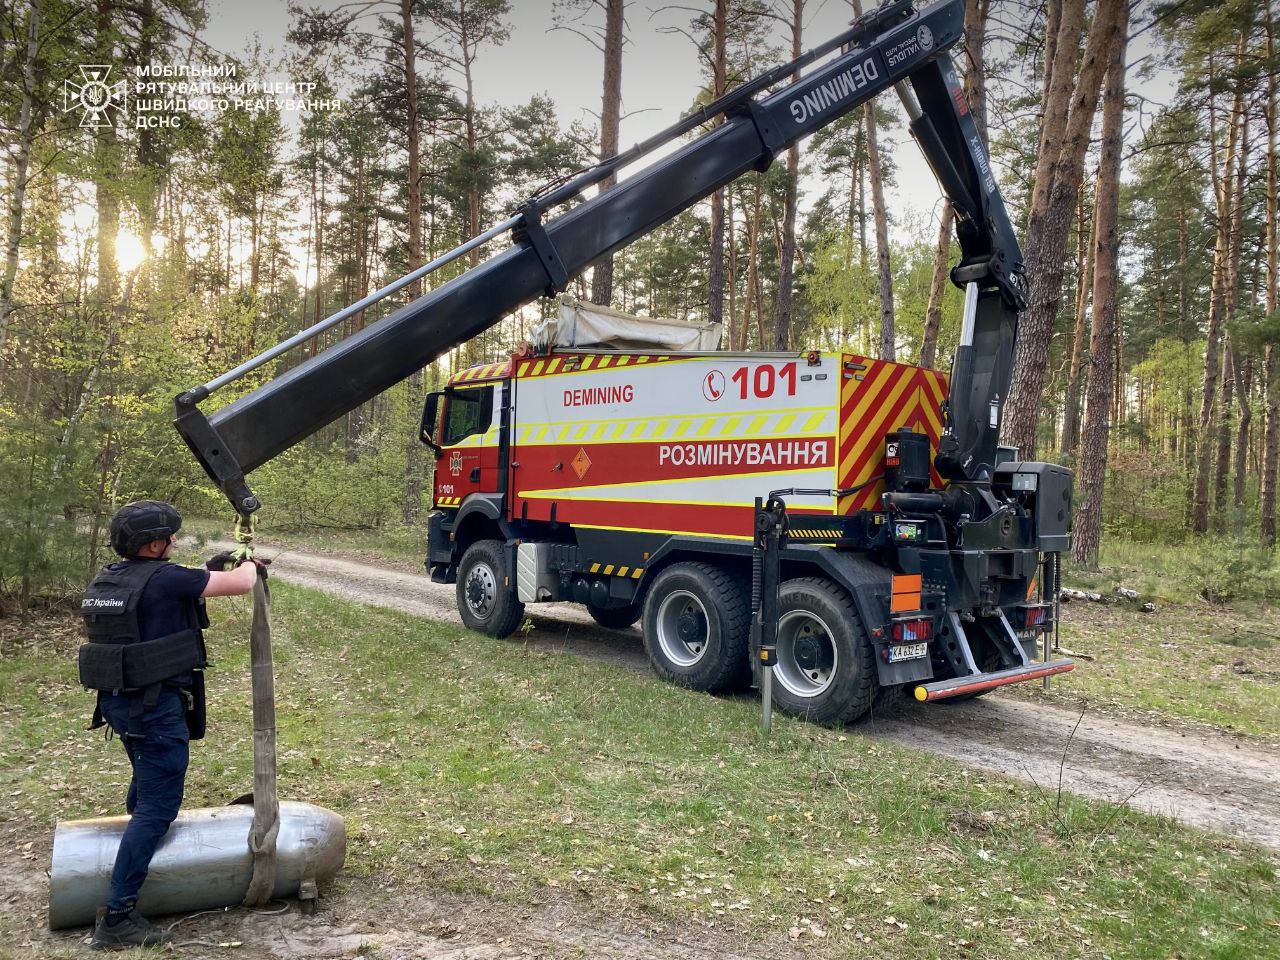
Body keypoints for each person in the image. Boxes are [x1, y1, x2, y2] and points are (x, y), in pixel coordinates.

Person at [78, 500, 266, 950]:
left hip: (122, 706)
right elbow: (241, 583)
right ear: (154, 543)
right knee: (158, 808)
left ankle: (124, 863)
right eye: (170, 536)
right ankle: (118, 917)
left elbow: (164, 600)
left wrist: (207, 569)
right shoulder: (166, 578)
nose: (174, 541)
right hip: (155, 709)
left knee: (146, 789)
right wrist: (252, 567)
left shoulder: (110, 579)